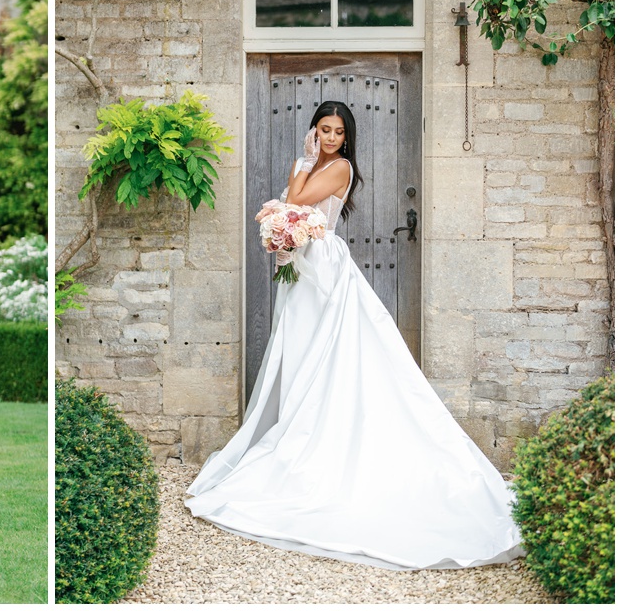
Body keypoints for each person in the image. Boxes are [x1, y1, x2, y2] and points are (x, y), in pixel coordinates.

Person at [184, 102, 522, 570]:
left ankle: (319, 435)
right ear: (314, 130)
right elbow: (289, 207)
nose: (331, 138)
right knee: (300, 349)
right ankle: (298, 425)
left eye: (338, 132)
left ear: (346, 138)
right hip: (303, 266)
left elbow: (295, 203)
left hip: (322, 268)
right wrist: (290, 202)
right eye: (324, 130)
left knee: (325, 350)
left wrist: (298, 173)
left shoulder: (339, 167)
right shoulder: (314, 162)